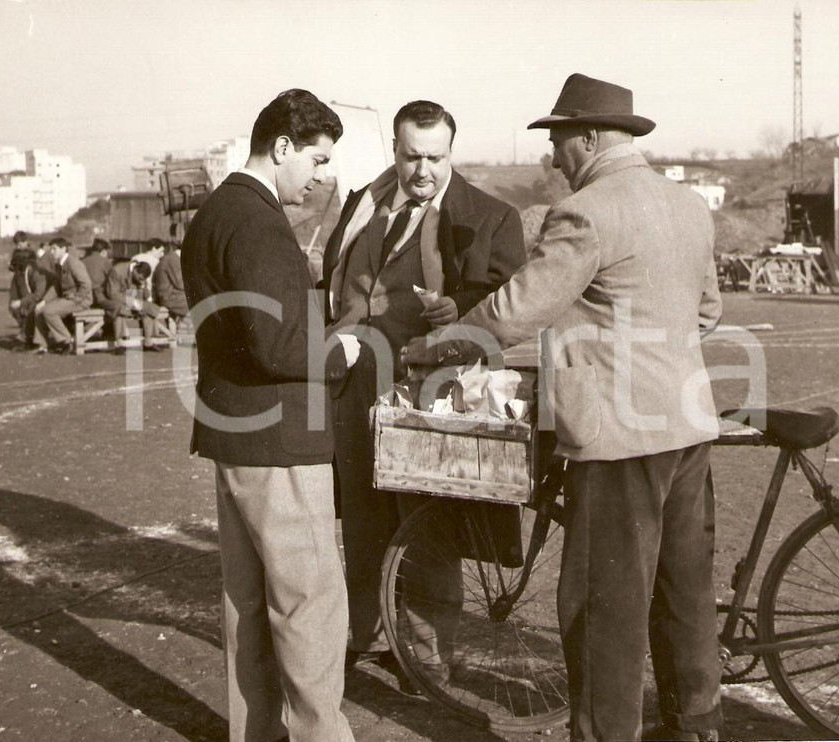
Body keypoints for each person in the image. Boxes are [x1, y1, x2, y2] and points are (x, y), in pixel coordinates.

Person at [401, 74, 723, 742]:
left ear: (586, 137)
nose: (552, 158)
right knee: (683, 595)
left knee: (604, 609)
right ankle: (696, 728)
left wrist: (440, 345)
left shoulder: (586, 212)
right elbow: (709, 313)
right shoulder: (688, 205)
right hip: (688, 432)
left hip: (618, 442)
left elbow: (518, 308)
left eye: (558, 142)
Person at [323, 99, 526, 671]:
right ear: (395, 149)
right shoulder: (364, 203)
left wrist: (457, 306)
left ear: (451, 153)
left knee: (427, 521)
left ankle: (427, 656)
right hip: (355, 384)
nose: (423, 170)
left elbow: (512, 297)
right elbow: (337, 283)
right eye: (413, 156)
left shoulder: (489, 216)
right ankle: (366, 637)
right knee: (362, 516)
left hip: (432, 388)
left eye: (436, 157)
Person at [181, 88, 358, 742]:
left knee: (246, 607)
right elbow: (279, 343)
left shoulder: (215, 213)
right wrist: (345, 349)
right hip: (281, 442)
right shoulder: (258, 222)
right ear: (281, 147)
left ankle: (256, 734)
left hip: (233, 434)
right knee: (308, 605)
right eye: (316, 160)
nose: (320, 176)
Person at [35, 237, 93, 354]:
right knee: (39, 309)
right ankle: (43, 345)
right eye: (51, 249)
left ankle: (67, 341)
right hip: (68, 298)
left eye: (54, 249)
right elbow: (57, 285)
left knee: (49, 311)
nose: (52, 252)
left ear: (63, 249)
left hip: (80, 300)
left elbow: (86, 284)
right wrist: (44, 301)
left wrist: (77, 298)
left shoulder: (73, 263)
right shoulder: (59, 264)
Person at [105, 260, 160, 353]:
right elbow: (112, 294)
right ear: (135, 270)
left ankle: (148, 342)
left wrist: (142, 286)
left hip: (133, 297)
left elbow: (146, 297)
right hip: (117, 298)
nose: (141, 280)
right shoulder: (118, 270)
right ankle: (119, 343)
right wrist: (132, 301)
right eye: (140, 278)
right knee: (120, 309)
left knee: (150, 307)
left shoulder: (141, 276)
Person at [8, 245, 39, 349]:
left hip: (38, 299)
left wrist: (21, 303)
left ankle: (27, 338)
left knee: (29, 308)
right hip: (27, 299)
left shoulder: (32, 272)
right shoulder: (19, 275)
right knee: (17, 308)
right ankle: (26, 335)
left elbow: (36, 293)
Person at [152, 242, 188, 320]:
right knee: (198, 303)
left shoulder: (173, 258)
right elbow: (181, 284)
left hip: (173, 295)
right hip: (168, 297)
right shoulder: (173, 260)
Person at [82, 238, 115, 317]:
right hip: (99, 298)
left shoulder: (83, 261)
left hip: (85, 297)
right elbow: (112, 279)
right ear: (104, 251)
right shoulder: (105, 262)